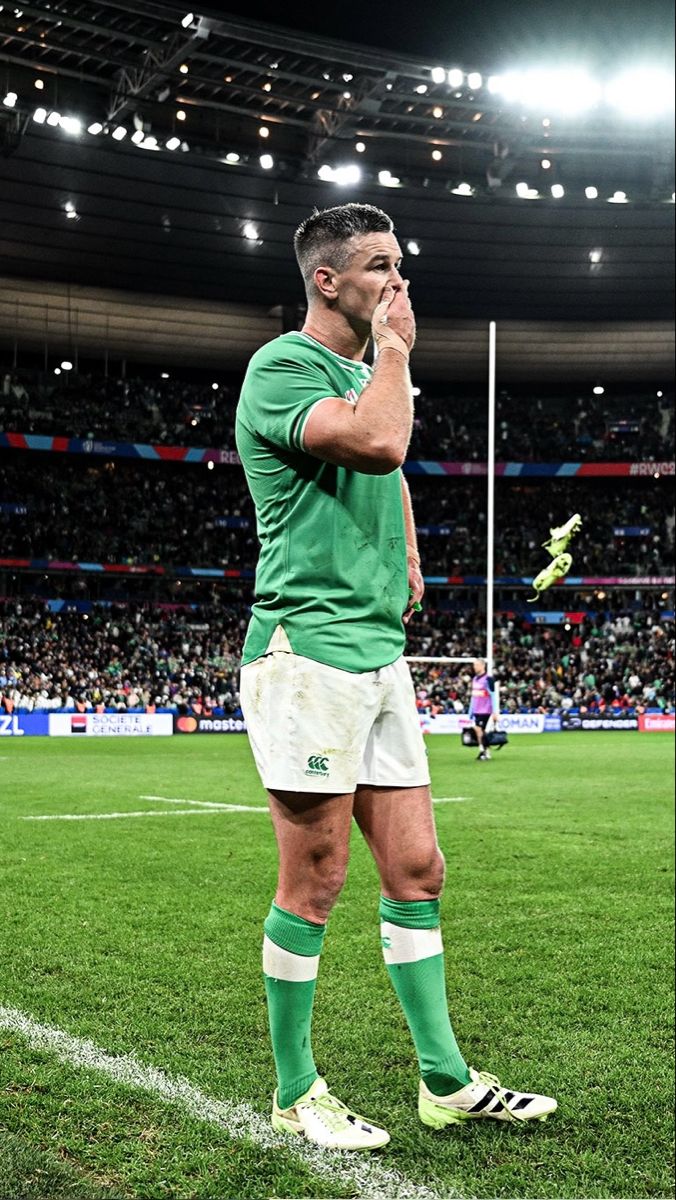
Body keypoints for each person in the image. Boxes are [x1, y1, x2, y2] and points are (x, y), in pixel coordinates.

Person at [235, 202, 556, 1150]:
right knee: (318, 876)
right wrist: (398, 355)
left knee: (417, 868)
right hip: (307, 651)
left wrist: (409, 551)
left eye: (402, 265)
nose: (398, 283)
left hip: (377, 653)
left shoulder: (361, 374)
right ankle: (297, 1089)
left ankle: (445, 1081)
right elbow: (375, 442)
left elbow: (395, 470)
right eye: (379, 266)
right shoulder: (283, 366)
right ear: (326, 279)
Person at [469, 658, 500, 761]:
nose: (474, 667)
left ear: (482, 666)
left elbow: (493, 695)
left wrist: (495, 712)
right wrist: (470, 710)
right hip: (477, 710)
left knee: (479, 730)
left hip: (486, 710)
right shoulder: (474, 679)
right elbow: (473, 696)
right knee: (479, 731)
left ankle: (483, 751)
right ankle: (484, 751)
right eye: (474, 665)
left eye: (476, 665)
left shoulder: (488, 679)